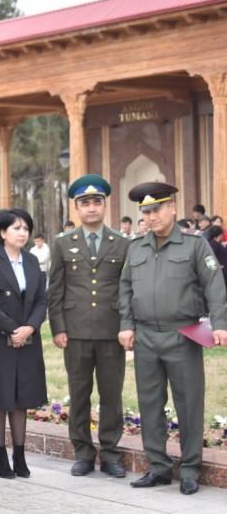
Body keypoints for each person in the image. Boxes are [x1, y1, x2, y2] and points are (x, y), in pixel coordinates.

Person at [119, 182, 227, 496]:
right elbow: (125, 289)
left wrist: (219, 324)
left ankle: (191, 470)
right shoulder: (136, 246)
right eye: (146, 212)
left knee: (189, 404)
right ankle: (158, 468)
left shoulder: (195, 245)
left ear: (173, 208)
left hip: (184, 334)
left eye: (157, 209)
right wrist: (126, 324)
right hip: (146, 337)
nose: (151, 217)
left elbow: (215, 286)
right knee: (150, 404)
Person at [47, 175, 129, 479]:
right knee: (79, 393)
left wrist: (127, 326)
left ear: (105, 206)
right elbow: (55, 288)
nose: (91, 208)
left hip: (111, 332)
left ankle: (110, 453)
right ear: (76, 209)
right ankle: (82, 452)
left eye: (97, 202)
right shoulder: (62, 243)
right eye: (85, 203)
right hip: (76, 332)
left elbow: (127, 289)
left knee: (112, 395)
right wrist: (58, 327)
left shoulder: (122, 243)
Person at [0, 208, 47, 479]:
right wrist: (12, 328)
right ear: (3, 233)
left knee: (21, 398)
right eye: (16, 228)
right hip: (0, 338)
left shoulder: (31, 260)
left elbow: (41, 298)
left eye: (26, 228)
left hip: (27, 339)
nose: (22, 233)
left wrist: (29, 328)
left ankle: (19, 453)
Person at [203, 225, 227, 290]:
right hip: (220, 275)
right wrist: (215, 266)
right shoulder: (213, 244)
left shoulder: (213, 243)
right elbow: (209, 258)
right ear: (219, 235)